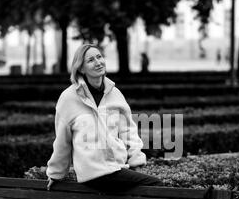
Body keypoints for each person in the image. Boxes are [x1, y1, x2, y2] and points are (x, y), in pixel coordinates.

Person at [46, 43, 162, 191]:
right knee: (156, 186)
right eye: (90, 60)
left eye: (99, 57)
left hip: (116, 168)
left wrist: (136, 161)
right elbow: (63, 141)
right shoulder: (68, 98)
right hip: (94, 172)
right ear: (81, 68)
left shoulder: (115, 94)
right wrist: (56, 173)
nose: (98, 62)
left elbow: (129, 132)